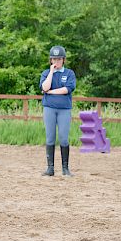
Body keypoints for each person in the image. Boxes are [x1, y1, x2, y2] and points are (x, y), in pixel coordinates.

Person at [39, 45, 76, 177]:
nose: (56, 62)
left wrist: (50, 92)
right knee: (50, 138)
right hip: (49, 108)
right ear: (50, 60)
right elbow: (44, 87)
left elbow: (67, 89)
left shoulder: (69, 73)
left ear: (63, 60)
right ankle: (50, 168)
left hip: (64, 110)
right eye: (54, 59)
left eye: (59, 59)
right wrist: (51, 72)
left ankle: (65, 168)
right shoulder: (45, 73)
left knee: (63, 138)